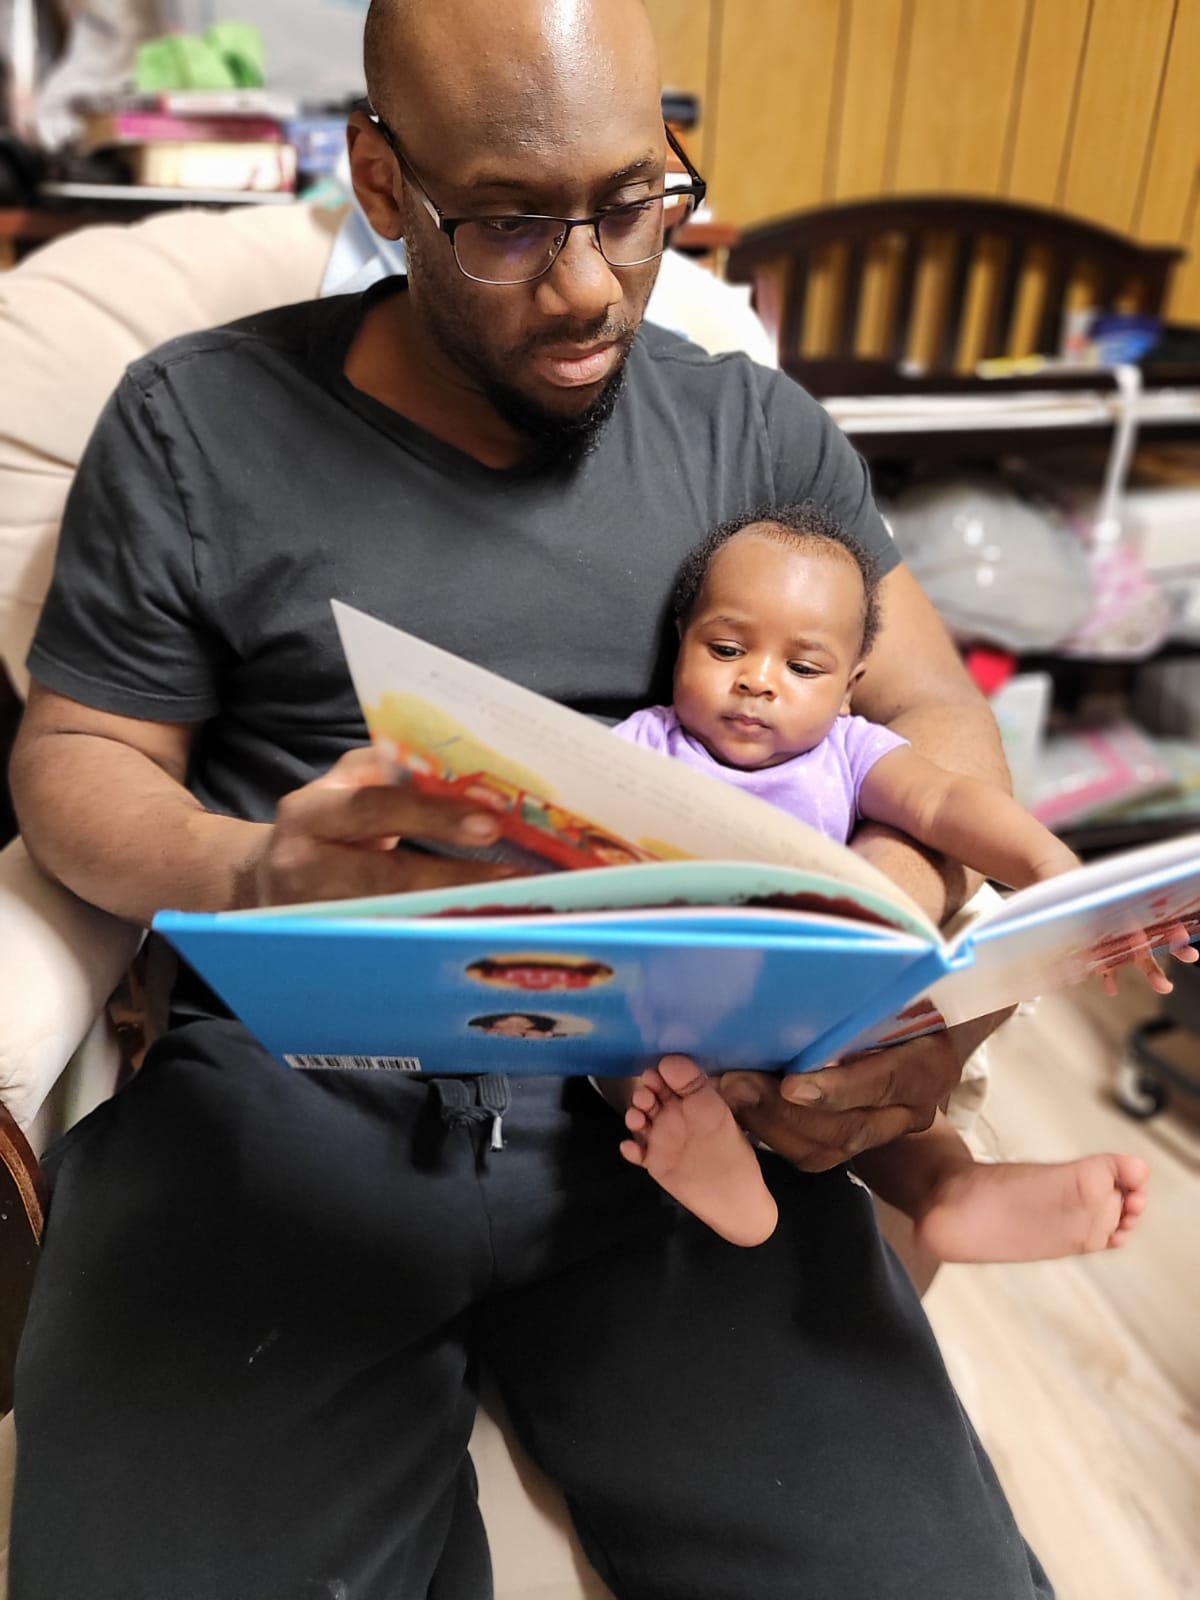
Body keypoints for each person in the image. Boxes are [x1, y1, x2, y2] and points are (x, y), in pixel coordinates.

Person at [9, 1, 1059, 1595]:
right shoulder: (194, 425)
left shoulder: (751, 435)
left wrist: (885, 936)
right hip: (291, 1099)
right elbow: (78, 756)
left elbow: (928, 717)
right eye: (507, 224)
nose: (589, 287)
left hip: (681, 1097)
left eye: (634, 202)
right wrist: (254, 866)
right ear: (382, 180)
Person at [610, 503, 1186, 1253]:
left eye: (802, 667)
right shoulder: (646, 744)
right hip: (684, 1005)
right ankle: (707, 1157)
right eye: (725, 649)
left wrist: (1052, 867)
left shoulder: (848, 751)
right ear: (681, 640)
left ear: (849, 686)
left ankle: (953, 1184)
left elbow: (944, 802)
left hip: (818, 1011)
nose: (757, 680)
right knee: (629, 1053)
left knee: (903, 1017)